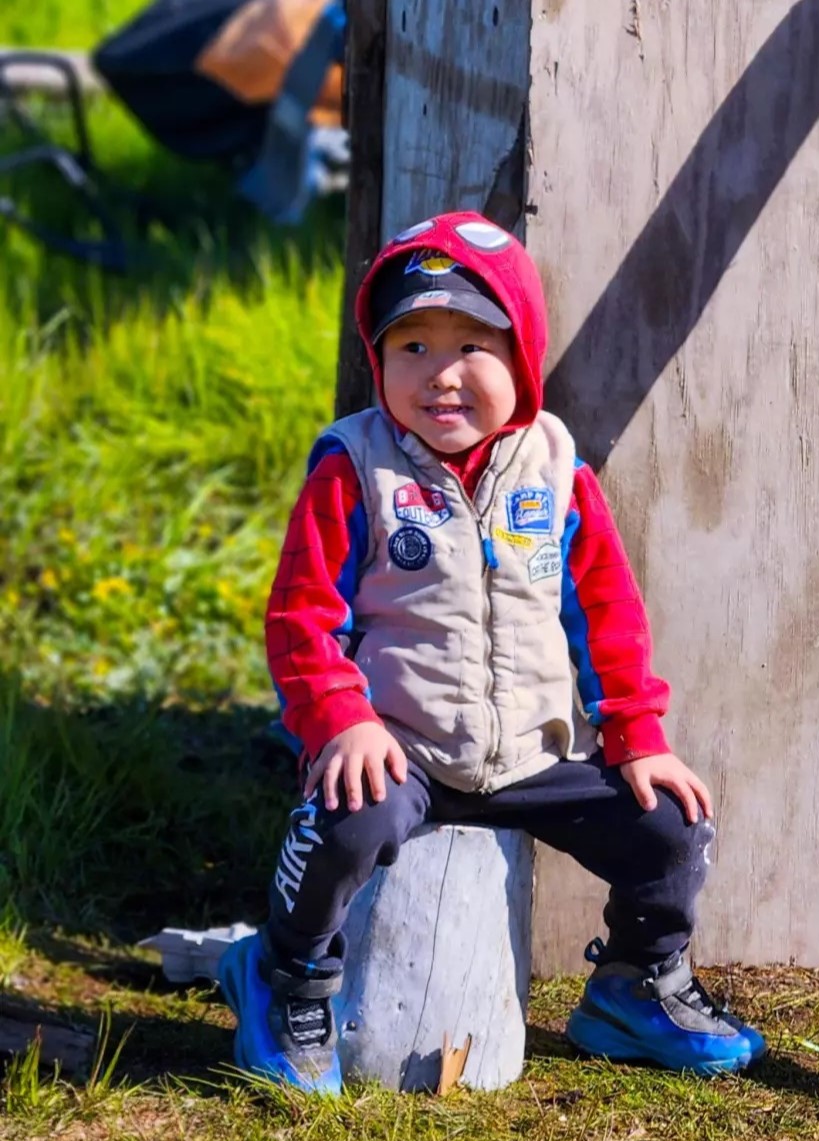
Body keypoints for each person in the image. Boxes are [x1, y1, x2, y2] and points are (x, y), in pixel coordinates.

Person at [217, 210, 765, 1093]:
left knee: (673, 825)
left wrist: (637, 731)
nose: (441, 373)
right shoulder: (354, 467)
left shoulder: (556, 469)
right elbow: (300, 619)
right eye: (412, 347)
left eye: (473, 344)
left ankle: (636, 982)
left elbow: (606, 610)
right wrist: (341, 722)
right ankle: (284, 973)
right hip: (406, 748)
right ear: (379, 360)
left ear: (523, 356)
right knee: (346, 818)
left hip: (532, 755)